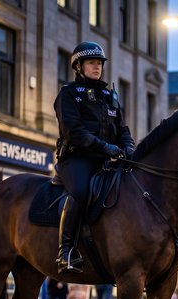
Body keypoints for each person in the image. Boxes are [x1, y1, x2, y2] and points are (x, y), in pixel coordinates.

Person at [53, 41, 135, 273]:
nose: (97, 67)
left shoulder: (110, 96)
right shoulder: (68, 94)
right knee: (80, 190)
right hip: (77, 159)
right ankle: (65, 251)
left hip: (106, 160)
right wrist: (105, 147)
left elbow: (122, 128)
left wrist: (128, 146)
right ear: (79, 66)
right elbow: (73, 131)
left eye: (99, 63)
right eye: (91, 63)